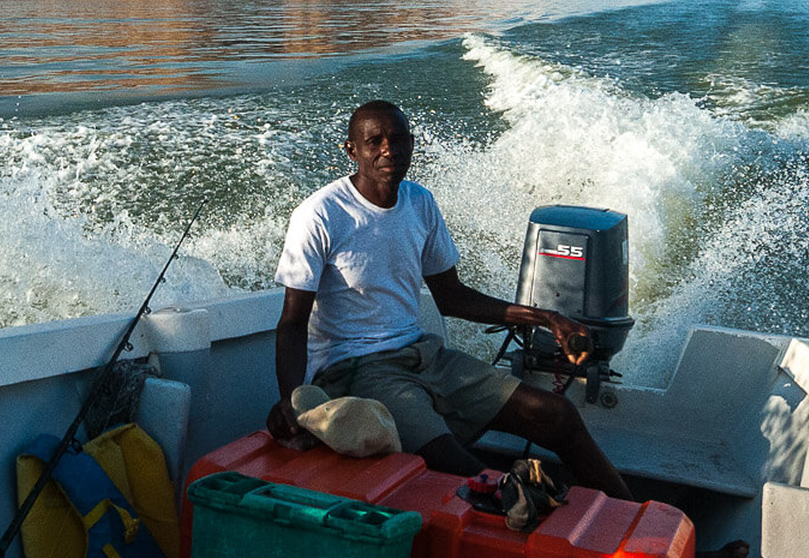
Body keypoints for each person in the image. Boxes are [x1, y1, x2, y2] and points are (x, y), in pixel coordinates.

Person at [266, 99, 634, 499]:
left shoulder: (419, 203)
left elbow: (452, 297)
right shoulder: (320, 215)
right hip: (357, 369)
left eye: (399, 139)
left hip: (425, 356)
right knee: (458, 463)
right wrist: (292, 402)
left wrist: (547, 318)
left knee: (557, 415)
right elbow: (292, 323)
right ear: (351, 150)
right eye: (374, 141)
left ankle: (639, 520)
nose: (389, 149)